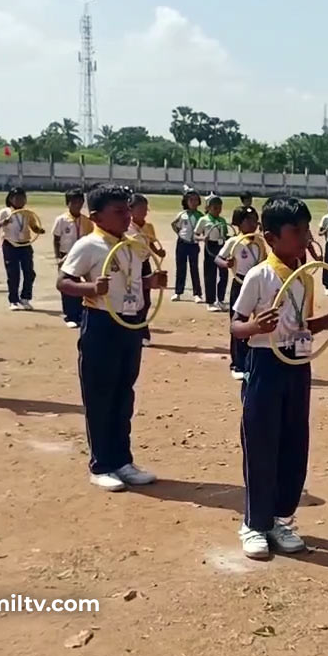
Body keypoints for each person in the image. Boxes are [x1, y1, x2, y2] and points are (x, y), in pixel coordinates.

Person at [230, 196, 328, 560]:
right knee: (261, 442)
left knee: (294, 443)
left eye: (306, 230)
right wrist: (253, 326)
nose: (304, 238)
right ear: (271, 237)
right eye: (295, 232)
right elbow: (236, 326)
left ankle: (280, 519)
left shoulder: (305, 277)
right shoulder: (260, 275)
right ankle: (254, 523)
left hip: (298, 366)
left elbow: (302, 326)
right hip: (266, 365)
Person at [58, 185, 167, 491]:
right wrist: (90, 289)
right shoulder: (89, 246)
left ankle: (123, 461)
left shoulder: (132, 244)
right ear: (97, 217)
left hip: (130, 323)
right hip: (102, 323)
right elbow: (63, 281)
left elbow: (130, 280)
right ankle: (101, 464)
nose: (127, 217)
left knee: (123, 394)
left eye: (127, 210)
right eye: (119, 212)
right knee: (100, 395)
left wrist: (151, 281)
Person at [217, 206, 264, 380]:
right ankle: (237, 363)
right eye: (249, 220)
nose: (253, 224)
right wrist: (226, 263)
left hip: (257, 284)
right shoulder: (233, 242)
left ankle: (253, 361)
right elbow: (218, 258)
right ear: (239, 223)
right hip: (240, 283)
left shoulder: (259, 242)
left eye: (255, 220)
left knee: (259, 322)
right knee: (238, 322)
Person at [0, 187, 43, 311]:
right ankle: (13, 300)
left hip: (25, 245)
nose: (20, 200)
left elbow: (33, 226)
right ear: (11, 199)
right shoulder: (5, 212)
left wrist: (38, 230)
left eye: (22, 198)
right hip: (10, 245)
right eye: (17, 198)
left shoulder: (27, 212)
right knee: (13, 274)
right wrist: (2, 223)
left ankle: (25, 298)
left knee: (29, 273)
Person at [128, 193, 166, 347]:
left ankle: (142, 331)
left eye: (146, 209)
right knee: (130, 300)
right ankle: (133, 331)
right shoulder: (126, 227)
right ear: (131, 210)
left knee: (146, 300)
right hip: (130, 265)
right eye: (140, 209)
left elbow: (149, 243)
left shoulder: (148, 227)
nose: (144, 212)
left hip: (145, 264)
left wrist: (158, 252)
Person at [53, 189, 94, 328]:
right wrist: (58, 257)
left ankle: (80, 313)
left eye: (80, 202)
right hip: (67, 255)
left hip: (83, 255)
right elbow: (56, 239)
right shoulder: (61, 220)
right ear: (68, 203)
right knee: (68, 284)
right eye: (74, 202)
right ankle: (69, 315)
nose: (77, 205)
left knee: (84, 284)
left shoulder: (87, 221)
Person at [195, 194, 231, 312]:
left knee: (224, 274)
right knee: (210, 274)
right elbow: (195, 235)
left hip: (221, 247)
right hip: (210, 246)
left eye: (219, 207)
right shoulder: (203, 220)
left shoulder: (222, 220)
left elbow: (225, 235)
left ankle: (220, 300)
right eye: (215, 207)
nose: (217, 210)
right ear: (209, 208)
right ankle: (210, 302)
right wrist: (202, 239)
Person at [170, 191, 204, 303]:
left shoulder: (200, 216)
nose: (193, 202)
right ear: (186, 201)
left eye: (195, 200)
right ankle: (178, 292)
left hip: (194, 244)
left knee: (194, 269)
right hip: (182, 243)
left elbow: (204, 228)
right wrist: (180, 234)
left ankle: (197, 294)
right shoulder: (182, 214)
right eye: (191, 200)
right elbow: (174, 224)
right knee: (180, 268)